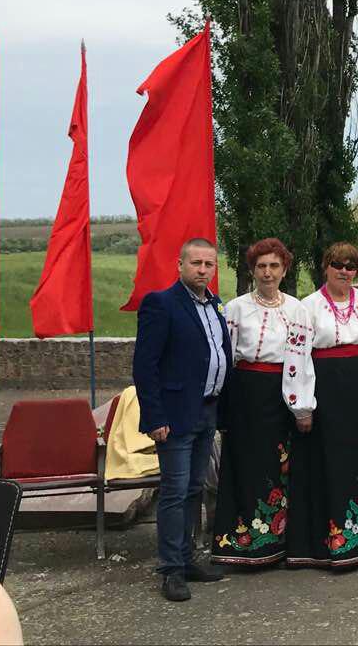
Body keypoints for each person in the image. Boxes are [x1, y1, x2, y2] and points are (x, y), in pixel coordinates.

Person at [132, 237, 231, 602]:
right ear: (180, 265)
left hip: (207, 410)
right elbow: (145, 366)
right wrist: (154, 416)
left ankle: (188, 559)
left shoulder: (215, 305)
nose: (203, 270)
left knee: (194, 489)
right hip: (174, 417)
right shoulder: (161, 304)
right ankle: (171, 570)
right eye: (196, 263)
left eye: (209, 264)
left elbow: (219, 355)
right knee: (173, 493)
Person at [212, 237, 310, 568]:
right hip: (245, 392)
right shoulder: (236, 308)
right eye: (261, 267)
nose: (267, 273)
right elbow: (225, 359)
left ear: (284, 270)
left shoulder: (298, 309)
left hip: (281, 393)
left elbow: (303, 360)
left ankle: (279, 542)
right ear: (252, 270)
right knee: (245, 463)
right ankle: (242, 543)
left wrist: (302, 405)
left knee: (278, 466)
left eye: (274, 266)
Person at [285, 242, 358, 569]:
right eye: (337, 264)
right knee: (324, 464)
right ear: (326, 267)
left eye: (351, 266)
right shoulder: (306, 307)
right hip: (323, 392)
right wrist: (302, 406)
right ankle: (322, 547)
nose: (344, 271)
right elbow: (296, 358)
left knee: (357, 464)